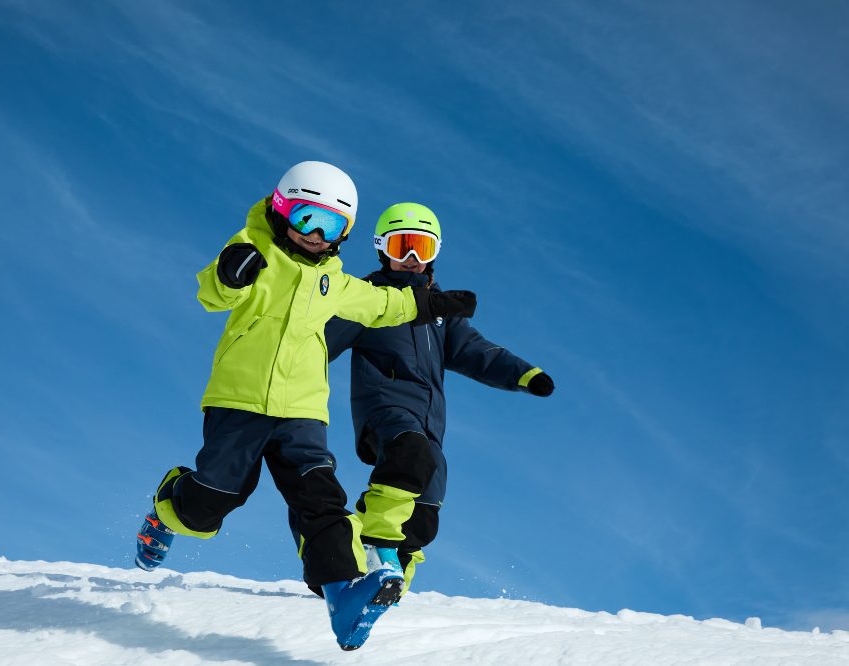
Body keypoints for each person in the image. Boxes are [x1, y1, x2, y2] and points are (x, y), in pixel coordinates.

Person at [132, 164, 477, 650]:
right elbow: (213, 292)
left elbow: (381, 304)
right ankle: (167, 507)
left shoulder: (334, 282)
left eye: (331, 226)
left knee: (322, 502)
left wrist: (430, 305)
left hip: (303, 412)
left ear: (345, 234)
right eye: (307, 217)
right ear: (281, 209)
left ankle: (343, 599)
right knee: (212, 502)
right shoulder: (255, 252)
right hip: (241, 402)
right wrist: (230, 274)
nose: (316, 235)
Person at [323, 202, 555, 598]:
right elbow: (317, 341)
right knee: (409, 455)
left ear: (435, 253)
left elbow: (477, 351)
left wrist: (523, 374)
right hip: (385, 411)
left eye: (422, 248)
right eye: (402, 247)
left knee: (426, 510)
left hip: (430, 425)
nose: (412, 259)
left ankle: (390, 588)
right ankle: (370, 546)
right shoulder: (365, 298)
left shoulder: (441, 312)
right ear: (382, 249)